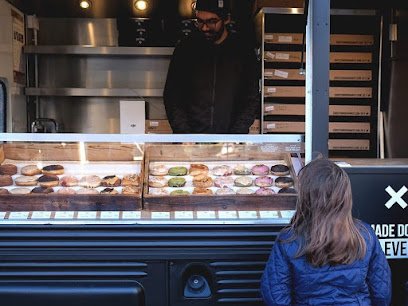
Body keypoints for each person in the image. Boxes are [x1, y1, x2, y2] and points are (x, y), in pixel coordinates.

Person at [261, 158, 391, 306]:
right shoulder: (365, 235)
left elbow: (275, 297)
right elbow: (382, 294)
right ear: (345, 197)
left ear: (306, 196)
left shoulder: (289, 239)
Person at [163, 0, 259, 134]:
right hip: (190, 142)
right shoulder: (185, 49)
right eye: (199, 21)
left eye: (211, 21)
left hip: (231, 142)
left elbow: (251, 98)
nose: (204, 28)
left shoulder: (242, 51)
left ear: (226, 19)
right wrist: (184, 134)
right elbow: (172, 95)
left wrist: (236, 135)